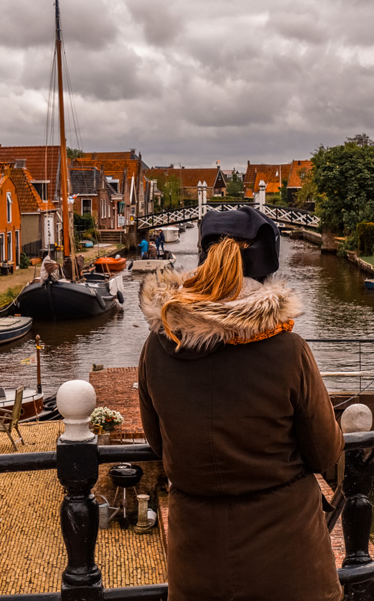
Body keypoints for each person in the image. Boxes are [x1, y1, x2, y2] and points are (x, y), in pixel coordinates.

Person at [138, 207, 343, 601]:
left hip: (197, 557)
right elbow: (324, 452)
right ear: (267, 267)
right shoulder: (288, 350)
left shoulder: (158, 347)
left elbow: (159, 444)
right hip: (288, 561)